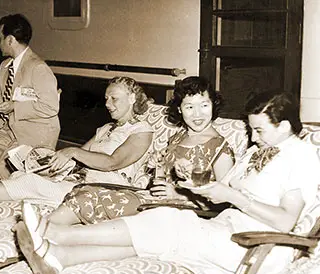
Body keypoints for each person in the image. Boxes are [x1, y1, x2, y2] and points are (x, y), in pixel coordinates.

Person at [16, 90, 320, 274]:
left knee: (167, 222)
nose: (252, 138)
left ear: (283, 127)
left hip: (254, 245)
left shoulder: (301, 157)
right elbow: (220, 187)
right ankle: (59, 258)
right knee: (158, 230)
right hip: (224, 228)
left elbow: (286, 221)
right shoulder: (258, 151)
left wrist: (232, 196)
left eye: (259, 130)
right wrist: (192, 181)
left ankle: (56, 234)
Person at [0, 76, 154, 209]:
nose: (108, 103)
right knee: (22, 174)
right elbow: (76, 158)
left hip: (106, 191)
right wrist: (45, 161)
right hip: (80, 180)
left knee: (30, 184)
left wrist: (72, 152)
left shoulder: (141, 131)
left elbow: (113, 162)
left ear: (132, 99)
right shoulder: (106, 129)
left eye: (114, 99)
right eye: (106, 98)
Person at [48, 76, 235, 225]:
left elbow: (226, 202)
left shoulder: (220, 148)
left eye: (204, 105)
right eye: (189, 107)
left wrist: (179, 195)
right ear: (179, 109)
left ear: (213, 105)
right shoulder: (179, 137)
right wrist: (157, 166)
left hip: (180, 212)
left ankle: (42, 232)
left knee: (89, 200)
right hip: (154, 200)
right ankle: (44, 234)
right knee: (82, 193)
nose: (197, 114)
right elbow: (161, 182)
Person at [0, 13, 61, 181]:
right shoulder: (5, 66)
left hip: (38, 130)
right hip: (13, 128)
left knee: (5, 165)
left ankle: (13, 198)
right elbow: (7, 96)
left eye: (0, 38)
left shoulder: (38, 68)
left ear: (10, 40)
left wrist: (14, 106)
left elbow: (50, 107)